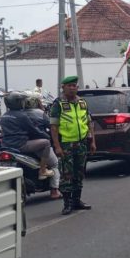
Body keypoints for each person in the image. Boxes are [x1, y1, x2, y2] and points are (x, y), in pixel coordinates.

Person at [50, 76, 96, 215]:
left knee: (79, 173)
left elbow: (89, 123)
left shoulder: (82, 102)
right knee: (67, 175)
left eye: (74, 85)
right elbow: (54, 127)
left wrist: (93, 141)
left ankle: (77, 201)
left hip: (81, 143)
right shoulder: (58, 104)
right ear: (63, 87)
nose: (72, 88)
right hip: (66, 145)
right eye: (69, 85)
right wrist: (57, 146)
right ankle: (67, 203)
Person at [0, 91, 57, 180]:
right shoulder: (22, 116)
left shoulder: (4, 116)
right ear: (18, 102)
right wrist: (46, 136)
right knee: (46, 143)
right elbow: (33, 130)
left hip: (6, 146)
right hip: (21, 145)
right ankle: (43, 170)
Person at [23, 91, 61, 199]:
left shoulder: (19, 113)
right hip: (39, 145)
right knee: (55, 164)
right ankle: (54, 191)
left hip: (22, 145)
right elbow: (51, 126)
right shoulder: (40, 113)